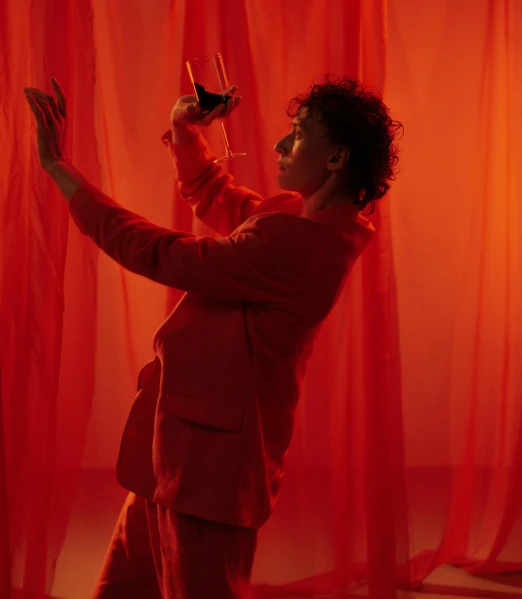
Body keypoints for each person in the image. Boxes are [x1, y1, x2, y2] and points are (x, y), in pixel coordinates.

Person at [24, 74, 402, 599]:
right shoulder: (296, 216)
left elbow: (158, 252)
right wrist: (184, 131)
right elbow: (214, 194)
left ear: (336, 159)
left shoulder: (302, 246)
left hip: (208, 472)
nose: (279, 144)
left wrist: (60, 170)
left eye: (296, 134)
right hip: (179, 451)